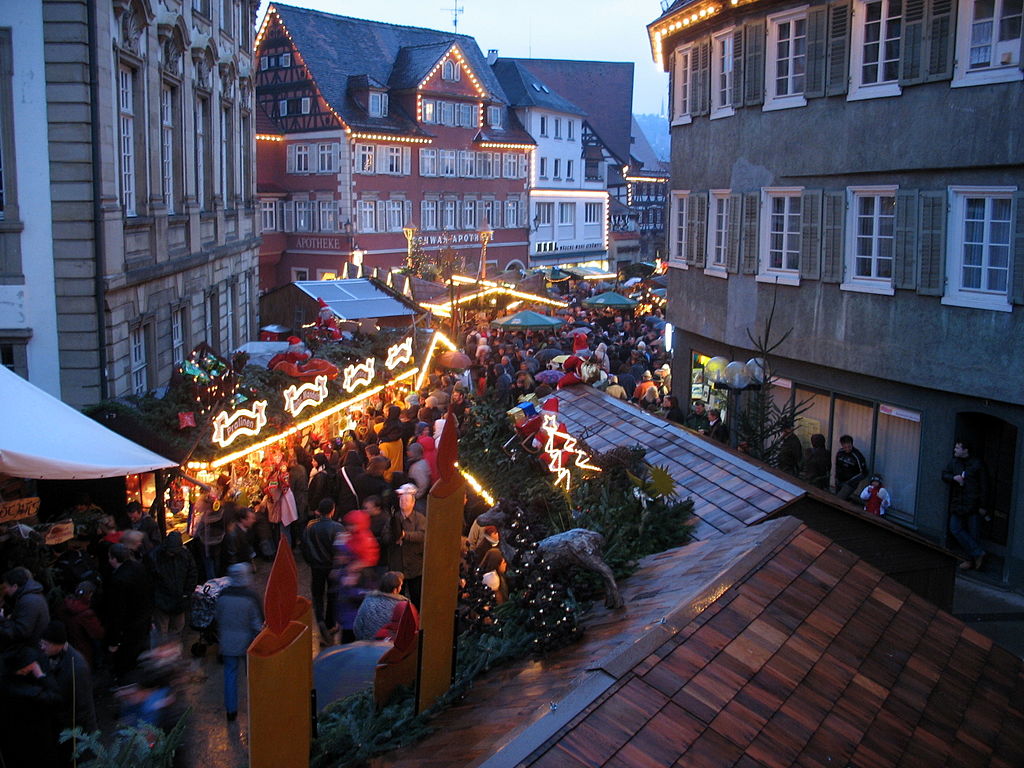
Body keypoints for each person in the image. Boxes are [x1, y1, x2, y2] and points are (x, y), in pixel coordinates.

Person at [215, 563, 263, 721]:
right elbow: (257, 624)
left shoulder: (222, 595)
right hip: (248, 643)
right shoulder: (251, 597)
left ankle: (231, 711)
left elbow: (217, 617)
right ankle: (256, 706)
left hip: (227, 642)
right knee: (252, 675)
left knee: (230, 675)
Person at [40, 619, 98, 743]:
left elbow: (82, 706)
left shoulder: (77, 668)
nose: (42, 647)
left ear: (60, 644)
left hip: (76, 732)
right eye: (42, 642)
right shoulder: (49, 655)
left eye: (46, 644)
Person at [104, 543, 154, 678]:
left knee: (128, 662)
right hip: (143, 622)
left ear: (114, 559)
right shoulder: (139, 568)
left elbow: (117, 612)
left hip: (130, 629)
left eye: (110, 557)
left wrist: (114, 641)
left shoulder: (119, 580)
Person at [942, 440, 989, 571]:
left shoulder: (977, 464)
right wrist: (953, 478)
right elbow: (944, 474)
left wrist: (983, 506)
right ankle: (977, 553)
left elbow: (985, 486)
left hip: (973, 504)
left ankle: (971, 560)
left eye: (957, 448)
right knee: (955, 529)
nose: (955, 450)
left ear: (965, 450)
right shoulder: (954, 462)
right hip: (958, 502)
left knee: (973, 533)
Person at [302, 498, 343, 640]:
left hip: (317, 567)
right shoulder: (338, 528)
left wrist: (311, 562)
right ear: (332, 511)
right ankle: (330, 623)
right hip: (332, 567)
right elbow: (341, 550)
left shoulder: (310, 527)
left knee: (317, 595)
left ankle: (320, 620)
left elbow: (305, 548)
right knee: (333, 596)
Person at [146, 530, 198, 643]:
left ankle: (171, 649)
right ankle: (166, 651)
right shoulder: (154, 556)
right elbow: (149, 580)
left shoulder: (183, 555)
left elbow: (192, 574)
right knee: (164, 630)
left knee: (176, 628)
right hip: (162, 600)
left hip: (177, 599)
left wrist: (186, 593)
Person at [387, 484, 426, 608]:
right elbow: (385, 536)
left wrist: (405, 535)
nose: (403, 502)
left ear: (413, 503)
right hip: (397, 565)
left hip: (415, 566)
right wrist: (394, 537)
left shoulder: (420, 519)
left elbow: (423, 536)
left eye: (406, 500)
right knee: (397, 600)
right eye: (401, 500)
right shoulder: (393, 518)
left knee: (417, 598)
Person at [352, 571, 418, 641]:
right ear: (395, 589)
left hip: (367, 646)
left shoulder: (368, 600)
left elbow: (357, 627)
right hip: (390, 648)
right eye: (400, 585)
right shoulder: (403, 605)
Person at [0, 566, 50, 653]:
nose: (6, 591)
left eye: (7, 587)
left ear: (15, 586)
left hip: (29, 652)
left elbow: (21, 632)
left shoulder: (29, 601)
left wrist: (2, 620)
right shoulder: (30, 596)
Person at [834, 435, 869, 501]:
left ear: (852, 444)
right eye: (845, 447)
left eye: (849, 446)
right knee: (837, 498)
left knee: (839, 499)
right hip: (839, 480)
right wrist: (836, 477)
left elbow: (864, 473)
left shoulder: (857, 455)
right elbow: (837, 466)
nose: (847, 449)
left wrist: (851, 481)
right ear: (842, 445)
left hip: (850, 483)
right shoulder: (840, 453)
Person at [406, 442, 432, 509]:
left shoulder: (417, 468)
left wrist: (415, 497)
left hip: (418, 499)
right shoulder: (423, 462)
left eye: (409, 450)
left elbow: (423, 484)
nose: (407, 452)